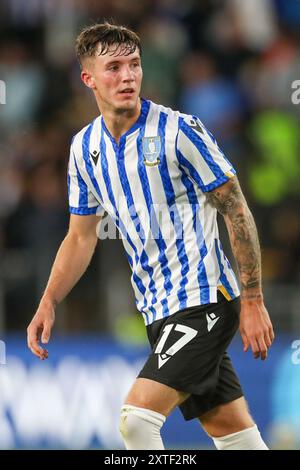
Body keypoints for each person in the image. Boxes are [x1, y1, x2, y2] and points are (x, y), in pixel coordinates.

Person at [27, 22, 274, 451]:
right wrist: (48, 301)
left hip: (204, 300)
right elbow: (80, 238)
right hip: (156, 311)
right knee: (234, 435)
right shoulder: (84, 149)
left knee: (136, 422)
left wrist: (252, 300)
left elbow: (236, 209)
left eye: (135, 65)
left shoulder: (181, 131)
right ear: (88, 79)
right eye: (114, 67)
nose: (127, 76)